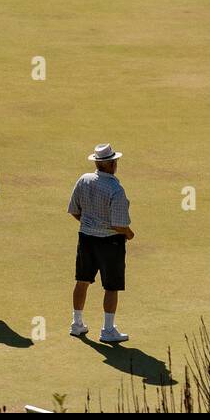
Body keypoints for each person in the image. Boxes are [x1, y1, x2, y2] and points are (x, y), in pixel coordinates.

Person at [68, 143, 134, 343]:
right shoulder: (116, 189)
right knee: (111, 286)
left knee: (82, 280)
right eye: (114, 161)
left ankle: (76, 324)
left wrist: (90, 223)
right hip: (110, 243)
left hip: (86, 237)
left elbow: (75, 210)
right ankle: (107, 330)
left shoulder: (83, 180)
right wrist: (130, 235)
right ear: (110, 164)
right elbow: (119, 225)